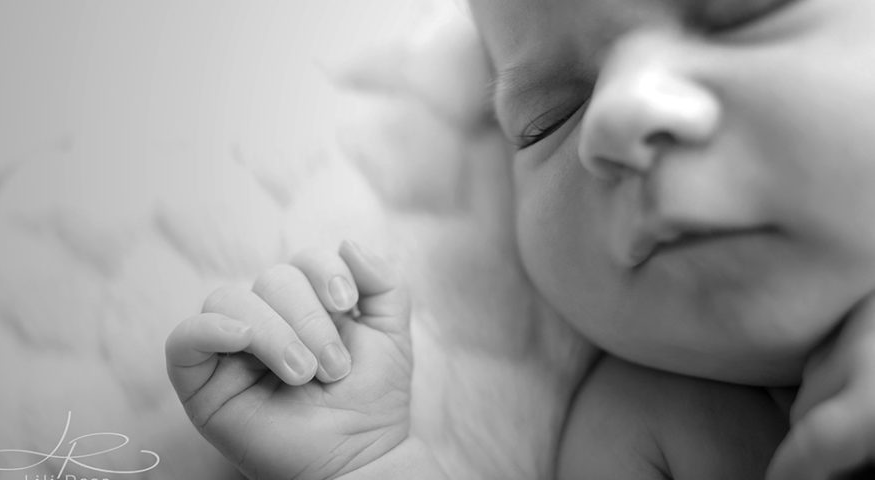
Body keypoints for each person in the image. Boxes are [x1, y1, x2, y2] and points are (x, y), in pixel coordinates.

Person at [165, 0, 875, 478]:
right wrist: (363, 462)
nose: (616, 117)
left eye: (741, 13)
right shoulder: (656, 424)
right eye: (551, 117)